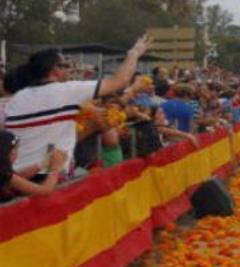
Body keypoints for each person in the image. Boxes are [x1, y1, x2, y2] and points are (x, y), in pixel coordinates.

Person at [2, 36, 152, 175]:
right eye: (66, 65)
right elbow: (120, 81)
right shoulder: (68, 90)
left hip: (16, 178)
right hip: (47, 178)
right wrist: (134, 53)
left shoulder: (17, 98)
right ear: (55, 71)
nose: (71, 69)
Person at [1, 129, 69, 200]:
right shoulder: (3, 173)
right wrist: (55, 168)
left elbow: (16, 176)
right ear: (9, 152)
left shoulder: (4, 172)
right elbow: (45, 191)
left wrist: (42, 164)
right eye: (16, 148)